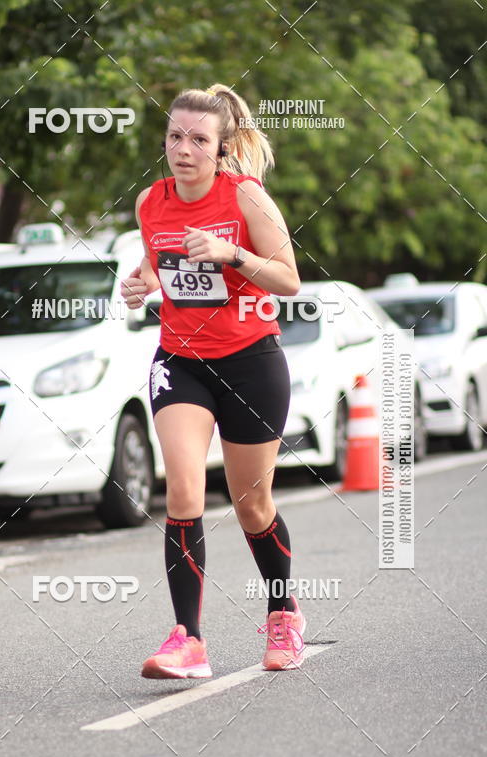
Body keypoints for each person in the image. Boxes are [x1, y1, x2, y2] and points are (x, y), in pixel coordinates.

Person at [120, 83, 305, 678]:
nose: (184, 148)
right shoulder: (152, 201)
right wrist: (143, 281)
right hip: (181, 361)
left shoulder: (246, 197)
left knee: (251, 504)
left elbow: (288, 280)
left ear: (221, 148)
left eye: (199, 139)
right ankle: (188, 639)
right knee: (181, 490)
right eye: (175, 136)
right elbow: (162, 260)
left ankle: (282, 613)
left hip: (252, 359)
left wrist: (231, 255)